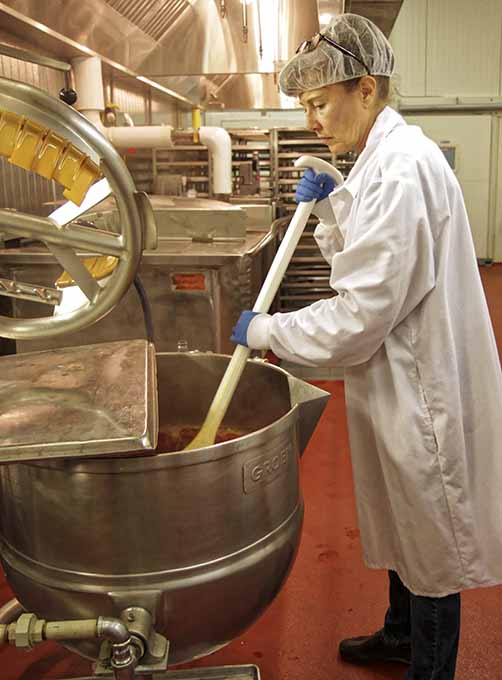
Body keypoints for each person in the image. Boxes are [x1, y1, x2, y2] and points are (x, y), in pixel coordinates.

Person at [230, 12, 502, 680]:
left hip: (423, 387)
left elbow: (361, 313)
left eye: (320, 104)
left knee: (431, 536)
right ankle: (399, 632)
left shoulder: (401, 168)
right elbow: (375, 248)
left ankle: (429, 665)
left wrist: (268, 332)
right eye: (305, 107)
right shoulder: (384, 158)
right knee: (407, 516)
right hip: (401, 377)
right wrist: (330, 207)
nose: (313, 120)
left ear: (368, 89)